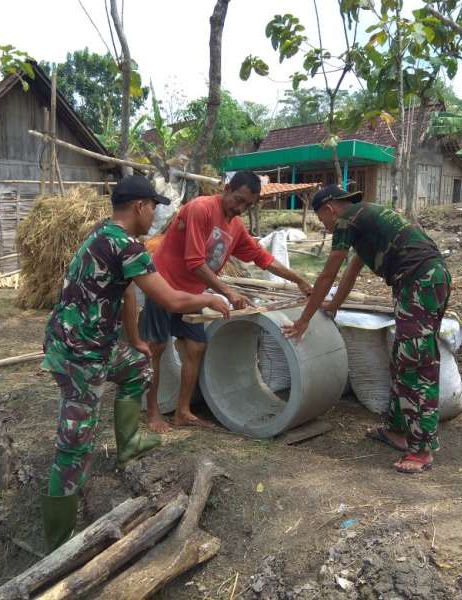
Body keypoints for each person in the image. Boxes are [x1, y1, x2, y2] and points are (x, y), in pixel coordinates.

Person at [40, 175, 230, 551]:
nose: (155, 215)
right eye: (153, 207)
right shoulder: (126, 245)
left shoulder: (102, 234)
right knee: (75, 448)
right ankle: (58, 541)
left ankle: (128, 443)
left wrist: (136, 340)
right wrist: (210, 298)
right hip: (81, 355)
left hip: (89, 344)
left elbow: (127, 294)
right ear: (140, 206)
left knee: (138, 367)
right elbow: (171, 300)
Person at [283, 184, 451, 475]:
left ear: (329, 209)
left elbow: (328, 274)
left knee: (415, 363)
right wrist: (333, 305)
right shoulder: (365, 218)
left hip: (419, 282)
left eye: (322, 219)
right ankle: (397, 430)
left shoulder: (347, 221)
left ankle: (421, 450)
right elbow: (351, 271)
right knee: (403, 358)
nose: (325, 226)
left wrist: (304, 319)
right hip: (425, 279)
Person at [140, 170, 312, 431]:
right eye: (239, 200)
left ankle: (182, 411)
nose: (240, 208)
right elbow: (195, 262)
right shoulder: (201, 209)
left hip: (192, 292)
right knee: (156, 347)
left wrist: (298, 279)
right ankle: (153, 412)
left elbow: (263, 259)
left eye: (248, 205)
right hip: (163, 284)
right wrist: (228, 293)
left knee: (196, 347)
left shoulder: (236, 227)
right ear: (227, 188)